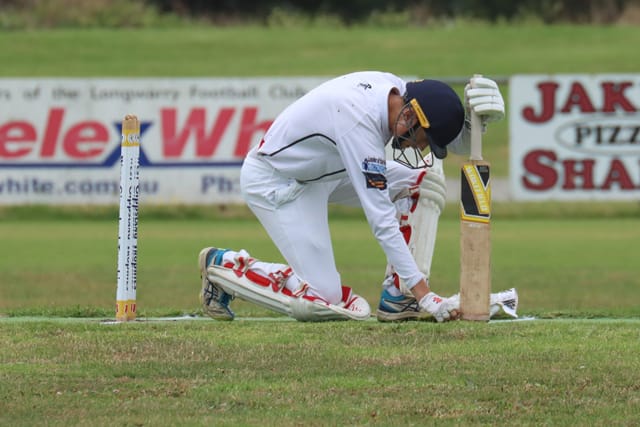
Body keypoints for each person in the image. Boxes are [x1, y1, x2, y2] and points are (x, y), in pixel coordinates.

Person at [198, 71, 510, 322]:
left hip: (324, 172)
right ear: (411, 118)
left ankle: (399, 296)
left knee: (423, 180)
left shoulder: (399, 92)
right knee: (326, 300)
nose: (420, 147)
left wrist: (474, 126)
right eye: (424, 139)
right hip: (277, 183)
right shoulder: (359, 124)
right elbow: (381, 221)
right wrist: (426, 294)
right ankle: (224, 265)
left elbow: (447, 132)